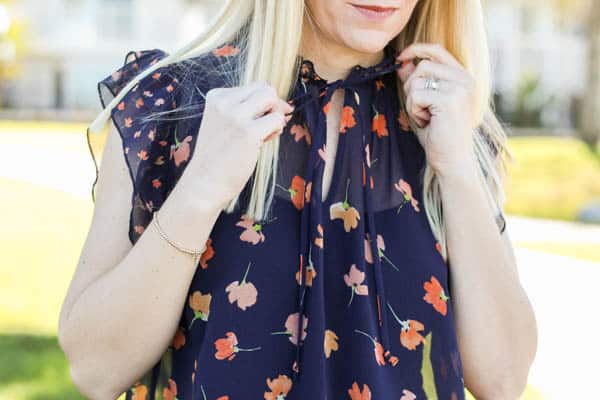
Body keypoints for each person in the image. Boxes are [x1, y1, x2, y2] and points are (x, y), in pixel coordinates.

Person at [58, 1, 537, 399]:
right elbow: (96, 369)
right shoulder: (173, 105)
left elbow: (503, 378)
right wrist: (200, 190)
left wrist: (457, 169)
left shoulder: (447, 124)